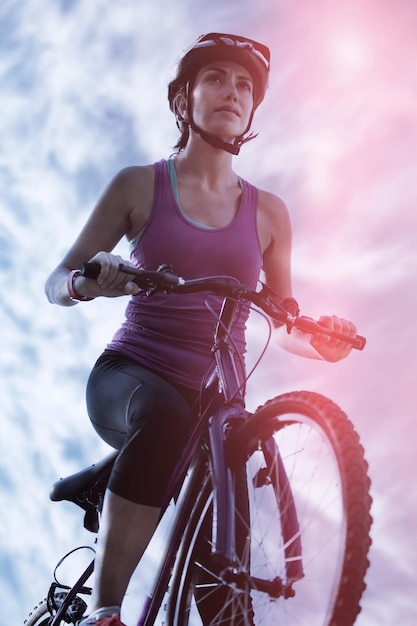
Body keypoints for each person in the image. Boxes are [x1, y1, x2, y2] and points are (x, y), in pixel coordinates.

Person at [45, 33, 357, 626]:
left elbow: (283, 320)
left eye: (245, 86)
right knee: (165, 416)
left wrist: (324, 342)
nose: (233, 92)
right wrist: (88, 282)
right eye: (216, 77)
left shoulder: (269, 213)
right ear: (183, 100)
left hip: (218, 411)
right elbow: (57, 278)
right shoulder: (140, 185)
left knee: (226, 582)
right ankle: (105, 611)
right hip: (133, 374)